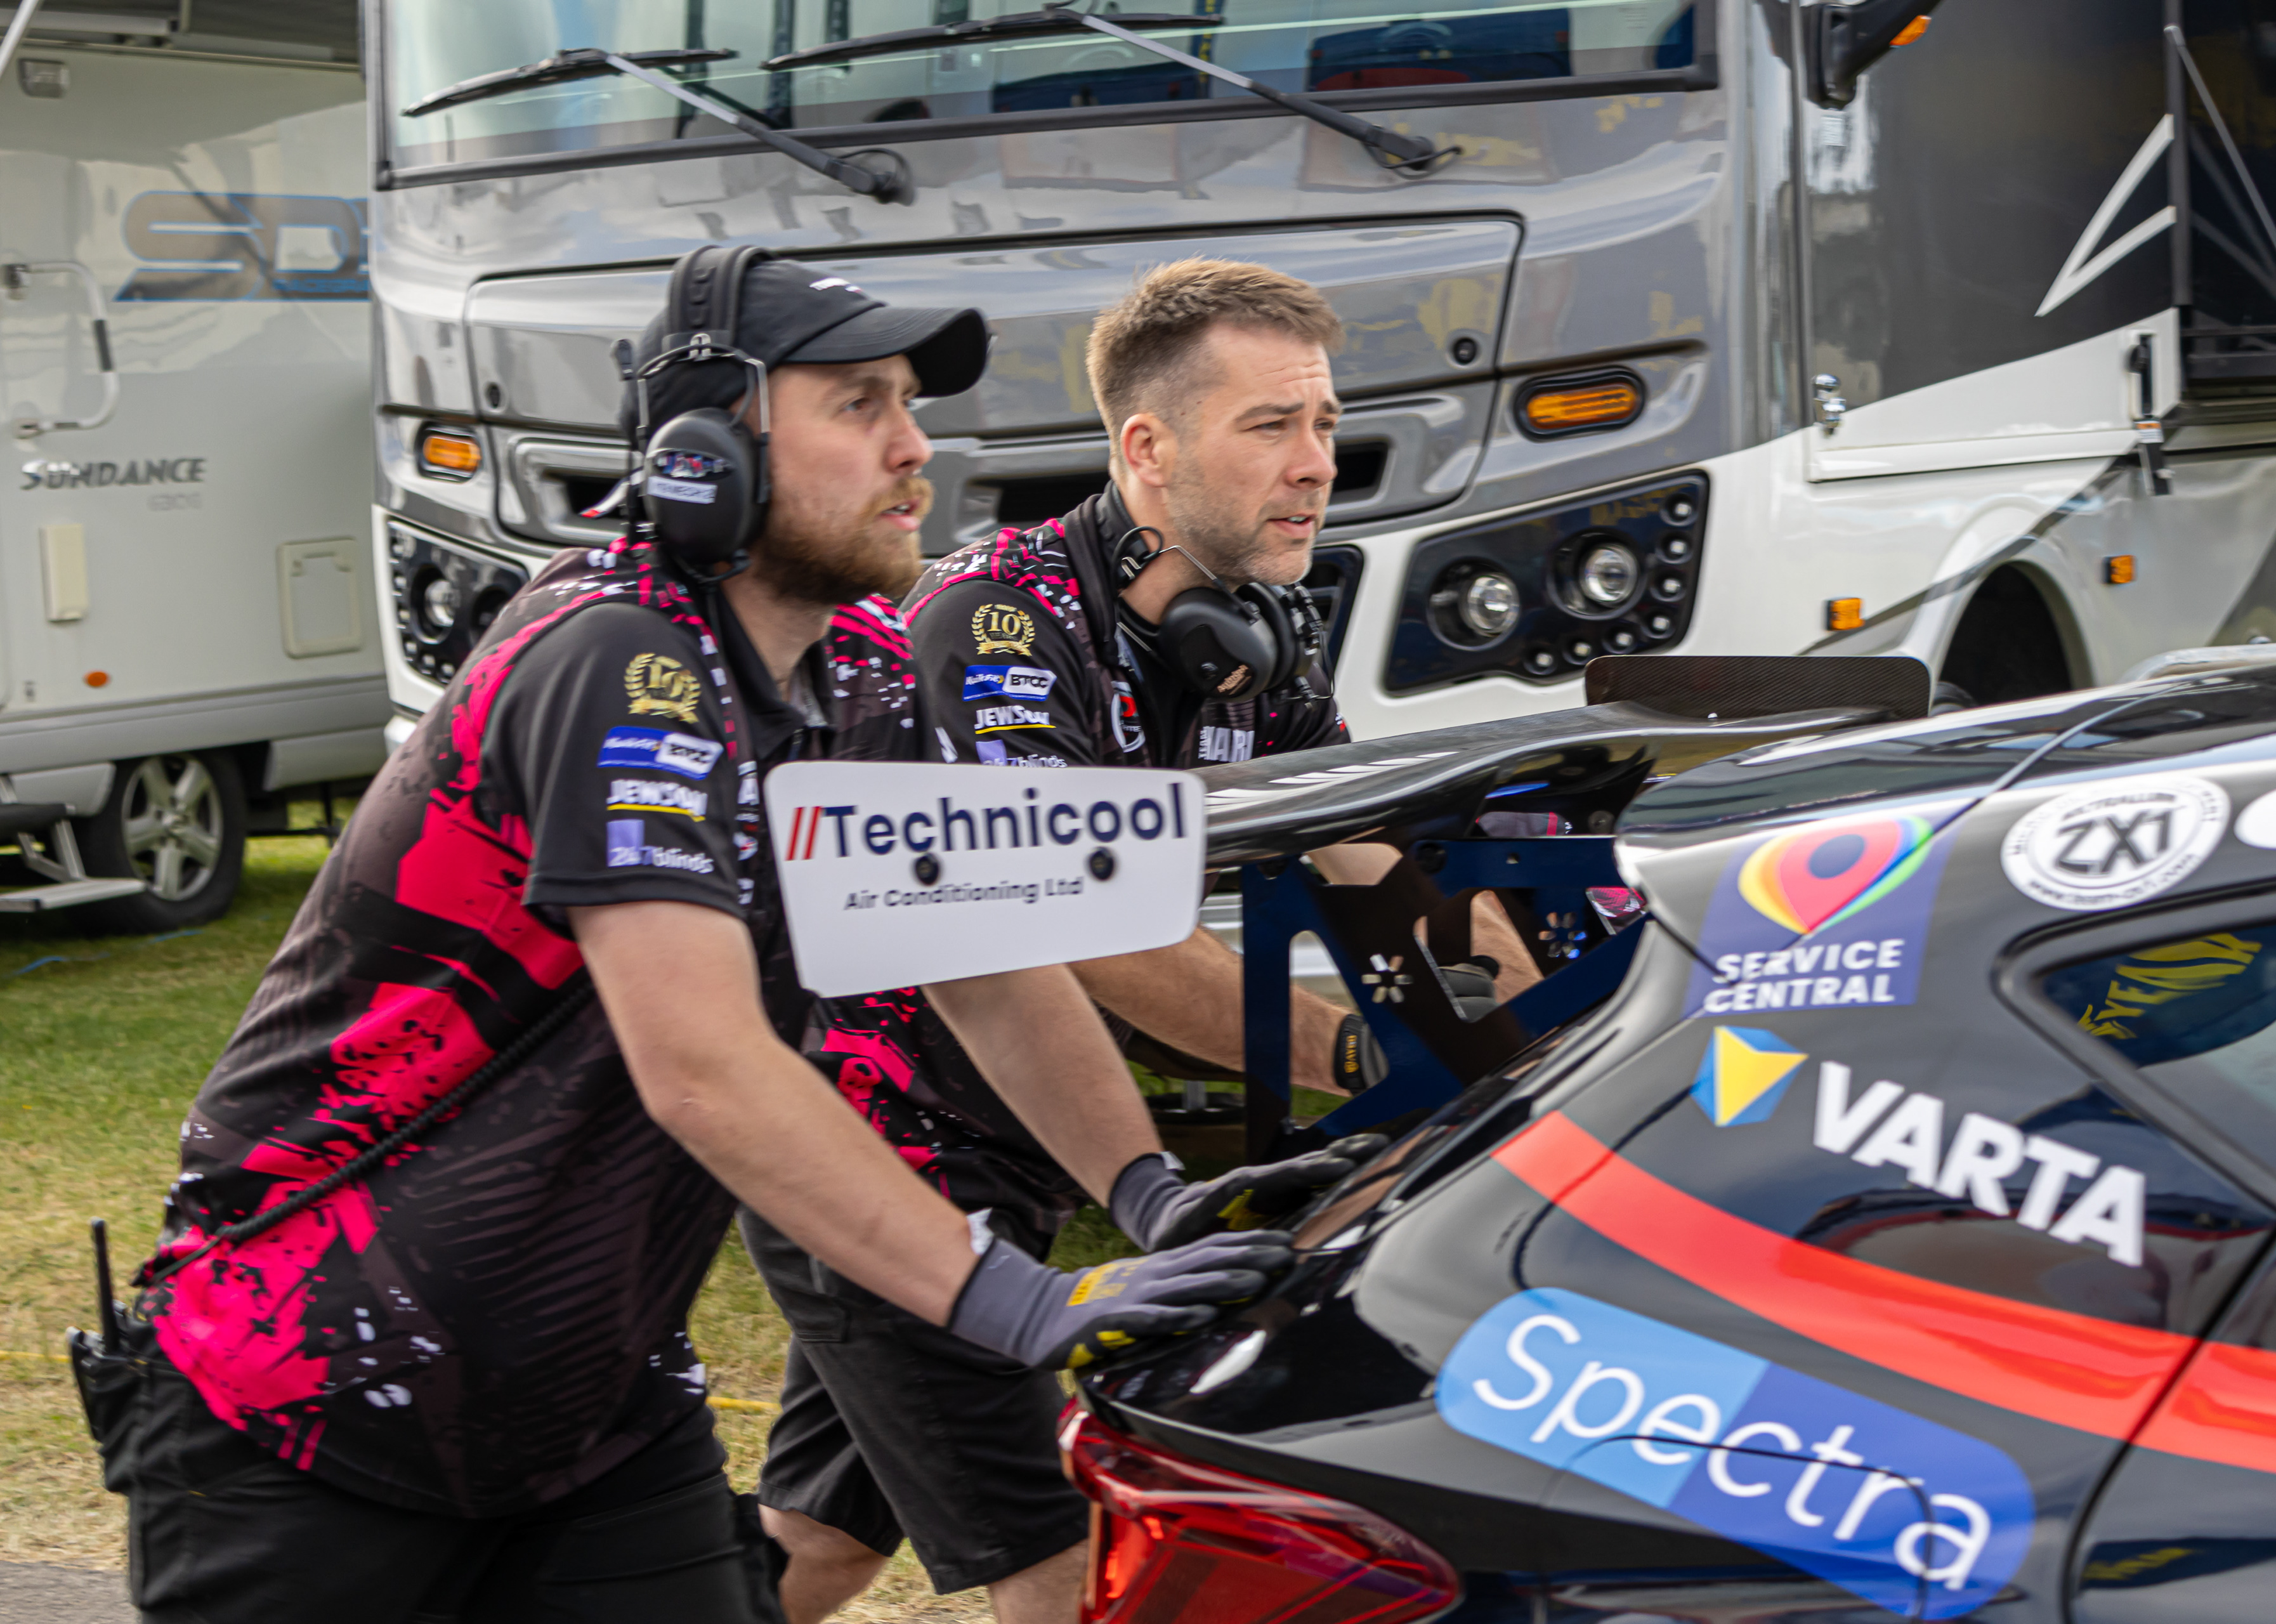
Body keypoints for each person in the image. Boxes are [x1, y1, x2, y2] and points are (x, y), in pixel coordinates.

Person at [108, 249, 1311, 1624]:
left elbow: (980, 952)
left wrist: (1151, 1194)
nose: (914, 446)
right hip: (311, 1391)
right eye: (858, 403)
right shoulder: (616, 660)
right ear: (707, 456)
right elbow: (703, 1063)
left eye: (909, 403)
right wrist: (1020, 1303)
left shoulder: (859, 667)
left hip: (592, 1410)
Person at [740, 258, 1540, 1623]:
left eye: (1325, 423)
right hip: (877, 1145)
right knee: (1073, 1564)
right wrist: (1363, 1056)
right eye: (1270, 424)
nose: (1317, 462)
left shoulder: (1259, 639)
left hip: (1017, 1138)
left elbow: (1379, 869)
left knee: (820, 1545)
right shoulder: (995, 623)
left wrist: (1538, 1040)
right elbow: (1077, 926)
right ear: (1148, 448)